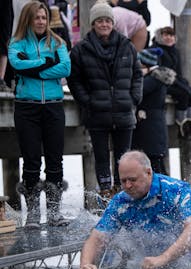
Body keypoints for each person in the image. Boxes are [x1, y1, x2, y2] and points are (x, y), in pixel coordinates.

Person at [76, 150, 191, 269]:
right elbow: (97, 238)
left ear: (148, 173)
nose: (127, 186)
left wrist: (163, 258)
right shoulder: (120, 203)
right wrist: (85, 265)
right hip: (154, 265)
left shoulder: (175, 190)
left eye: (132, 180)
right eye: (123, 181)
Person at [67, 0, 143, 202]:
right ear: (93, 24)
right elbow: (74, 80)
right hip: (96, 113)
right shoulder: (81, 49)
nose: (104, 24)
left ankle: (124, 196)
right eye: (100, 21)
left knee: (124, 158)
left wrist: (134, 99)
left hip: (124, 111)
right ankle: (106, 197)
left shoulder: (126, 46)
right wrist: (86, 101)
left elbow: (138, 74)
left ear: (113, 23)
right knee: (101, 158)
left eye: (107, 21)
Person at [8, 1, 71, 228]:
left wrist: (34, 69)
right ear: (28, 19)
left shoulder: (58, 42)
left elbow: (65, 69)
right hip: (27, 107)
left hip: (53, 105)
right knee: (32, 160)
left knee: (55, 160)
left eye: (44, 17)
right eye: (37, 17)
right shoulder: (16, 43)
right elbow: (17, 65)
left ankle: (54, 212)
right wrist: (47, 62)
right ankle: (33, 214)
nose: (41, 21)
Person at [151, 26, 191, 141]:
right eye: (166, 35)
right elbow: (160, 71)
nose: (169, 38)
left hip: (173, 81)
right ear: (160, 37)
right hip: (161, 83)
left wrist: (183, 83)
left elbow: (178, 73)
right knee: (183, 93)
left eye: (171, 35)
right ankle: (182, 127)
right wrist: (180, 84)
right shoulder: (156, 50)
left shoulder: (175, 51)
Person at [131, 47, 170, 175]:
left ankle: (161, 193)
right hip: (154, 128)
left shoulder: (152, 79)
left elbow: (137, 92)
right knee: (157, 167)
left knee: (154, 167)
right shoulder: (158, 77)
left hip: (151, 129)